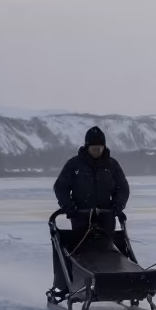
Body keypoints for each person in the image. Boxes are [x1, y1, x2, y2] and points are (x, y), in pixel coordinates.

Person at [50, 126, 130, 295]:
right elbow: (61, 187)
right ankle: (74, 285)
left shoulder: (112, 165)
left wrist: (118, 205)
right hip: (80, 216)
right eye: (94, 148)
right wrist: (68, 207)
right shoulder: (74, 165)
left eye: (100, 148)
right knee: (80, 252)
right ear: (87, 147)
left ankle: (113, 283)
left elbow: (122, 188)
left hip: (106, 216)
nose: (97, 151)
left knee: (108, 250)